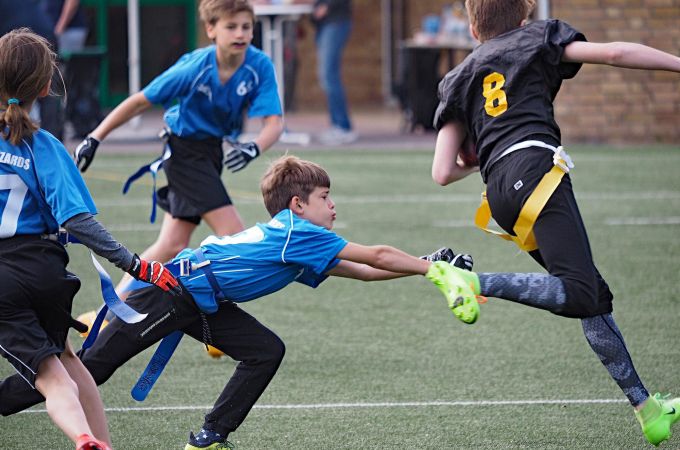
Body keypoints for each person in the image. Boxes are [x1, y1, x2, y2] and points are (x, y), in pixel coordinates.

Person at [0, 154, 476, 449]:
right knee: (90, 368)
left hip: (201, 301)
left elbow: (368, 272)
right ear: (298, 206)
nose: (333, 207)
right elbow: (376, 254)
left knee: (265, 350)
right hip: (172, 291)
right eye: (326, 197)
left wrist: (425, 262)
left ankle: (209, 437)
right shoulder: (300, 233)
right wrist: (431, 268)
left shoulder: (300, 238)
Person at [430, 0, 680, 446]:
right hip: (537, 173)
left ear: (471, 27)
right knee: (581, 291)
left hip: (500, 193)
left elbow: (443, 172)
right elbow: (617, 54)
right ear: (524, 16)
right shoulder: (537, 38)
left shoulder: (459, 76)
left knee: (593, 297)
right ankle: (472, 282)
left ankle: (647, 408)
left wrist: (488, 151)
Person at [0, 29, 181, 450]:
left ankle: (81, 435)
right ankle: (97, 440)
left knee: (52, 376)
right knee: (65, 361)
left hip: (4, 279)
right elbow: (78, 220)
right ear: (46, 87)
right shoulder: (44, 147)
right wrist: (136, 265)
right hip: (44, 271)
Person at [72, 0, 284, 301]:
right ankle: (220, 317)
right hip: (184, 153)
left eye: (246, 27)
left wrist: (254, 147)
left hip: (211, 153)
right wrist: (94, 138)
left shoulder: (259, 65)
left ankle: (112, 310)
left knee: (172, 243)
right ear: (211, 29)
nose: (240, 34)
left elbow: (274, 124)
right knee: (234, 237)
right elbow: (140, 101)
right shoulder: (195, 66)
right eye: (231, 26)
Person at [0, 0, 65, 140]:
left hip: (24, 45)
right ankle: (50, 139)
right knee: (49, 102)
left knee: (12, 90)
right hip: (44, 38)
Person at [312, 0, 357, 145]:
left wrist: (327, 6)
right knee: (327, 76)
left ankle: (343, 126)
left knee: (328, 76)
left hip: (336, 20)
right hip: (325, 23)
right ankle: (337, 124)